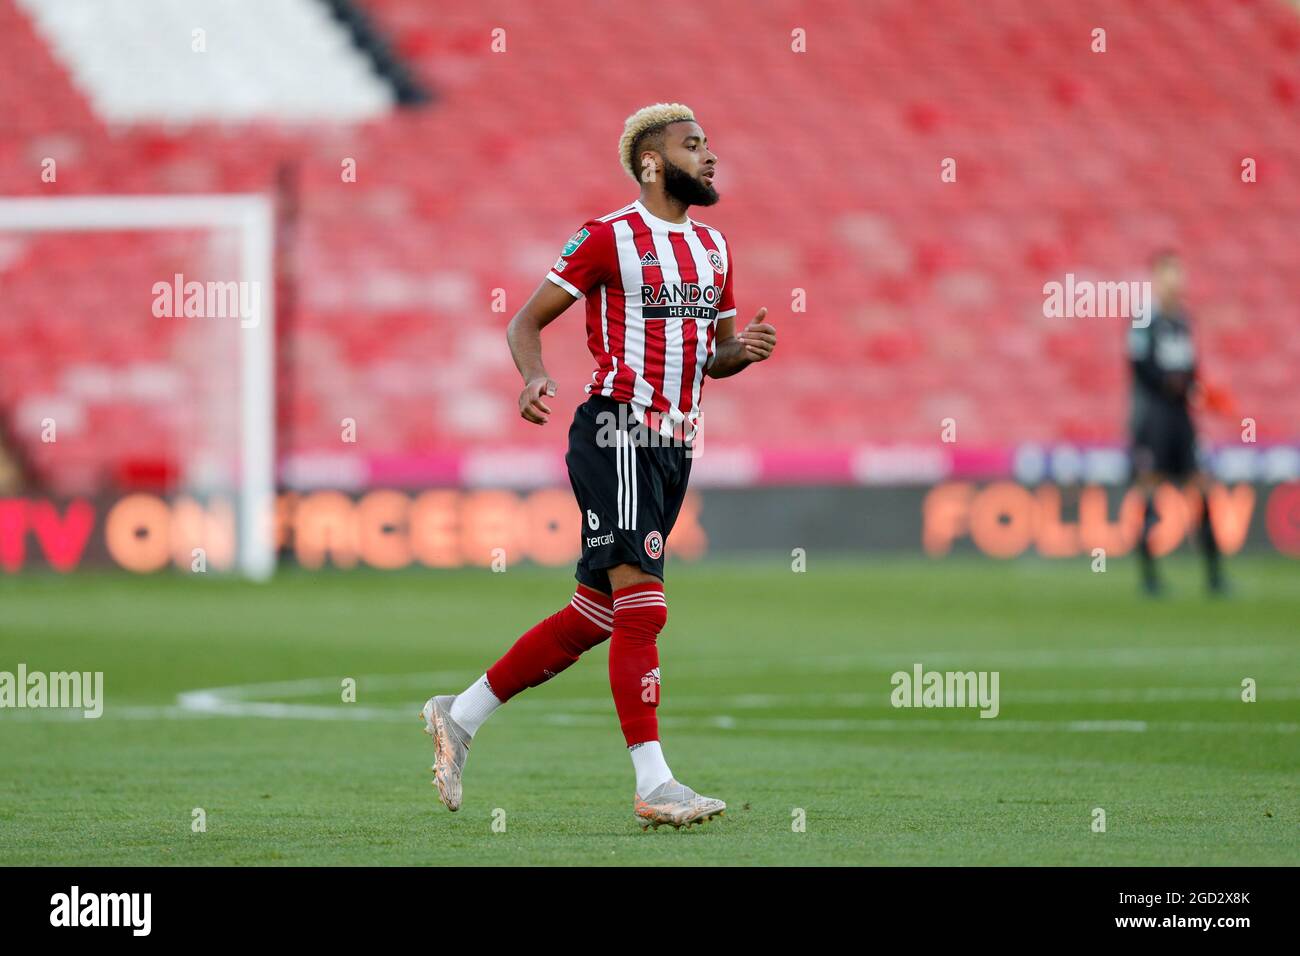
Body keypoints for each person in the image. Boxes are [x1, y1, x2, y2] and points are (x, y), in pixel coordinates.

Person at [419, 103, 777, 830]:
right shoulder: (608, 237)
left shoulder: (714, 247)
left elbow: (714, 353)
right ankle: (655, 783)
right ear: (652, 162)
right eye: (693, 145)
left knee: (595, 614)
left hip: (676, 444)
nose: (709, 157)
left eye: (709, 144)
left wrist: (744, 352)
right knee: (645, 606)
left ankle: (459, 715)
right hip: (616, 429)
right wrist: (532, 376)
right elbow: (524, 320)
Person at [1128, 249, 1225, 596]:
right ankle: (1149, 577)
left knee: (1201, 488)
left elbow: (1191, 366)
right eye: (1170, 273)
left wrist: (1198, 390)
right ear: (1156, 277)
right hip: (1155, 417)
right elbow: (1138, 365)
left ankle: (1215, 576)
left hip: (1181, 418)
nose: (1177, 280)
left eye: (1180, 273)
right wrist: (1170, 383)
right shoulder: (1144, 318)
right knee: (1150, 492)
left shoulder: (1184, 319)